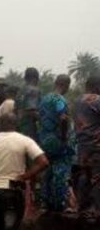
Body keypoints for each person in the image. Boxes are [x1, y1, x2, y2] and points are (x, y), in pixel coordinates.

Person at [38, 75, 74, 212]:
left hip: (45, 140)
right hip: (57, 141)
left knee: (47, 171)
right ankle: (60, 204)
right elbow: (63, 118)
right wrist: (64, 137)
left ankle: (45, 203)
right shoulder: (59, 99)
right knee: (60, 171)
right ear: (67, 85)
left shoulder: (44, 99)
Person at [74, 74, 100, 222]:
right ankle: (97, 210)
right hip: (97, 146)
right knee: (97, 178)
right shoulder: (97, 100)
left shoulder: (77, 101)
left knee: (85, 175)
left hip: (82, 146)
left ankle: (82, 209)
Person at [17, 67, 42, 140]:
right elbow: (31, 111)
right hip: (29, 129)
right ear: (36, 78)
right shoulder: (34, 90)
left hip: (19, 128)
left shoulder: (20, 91)